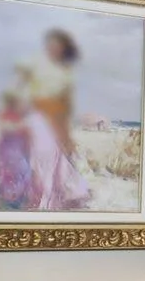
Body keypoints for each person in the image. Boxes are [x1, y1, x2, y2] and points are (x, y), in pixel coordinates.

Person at [12, 28, 91, 210]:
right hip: (34, 116)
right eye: (50, 44)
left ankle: (47, 200)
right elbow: (19, 89)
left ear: (64, 49)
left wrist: (66, 134)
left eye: (57, 45)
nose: (52, 48)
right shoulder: (34, 64)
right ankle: (36, 197)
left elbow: (65, 105)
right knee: (38, 156)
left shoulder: (66, 74)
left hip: (52, 118)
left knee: (53, 157)